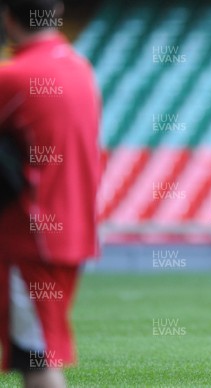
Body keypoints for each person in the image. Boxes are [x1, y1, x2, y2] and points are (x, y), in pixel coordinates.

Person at [0, 0, 101, 387]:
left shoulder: (18, 76)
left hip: (29, 236)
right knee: (34, 351)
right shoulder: (78, 68)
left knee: (36, 358)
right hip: (67, 230)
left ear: (9, 17)